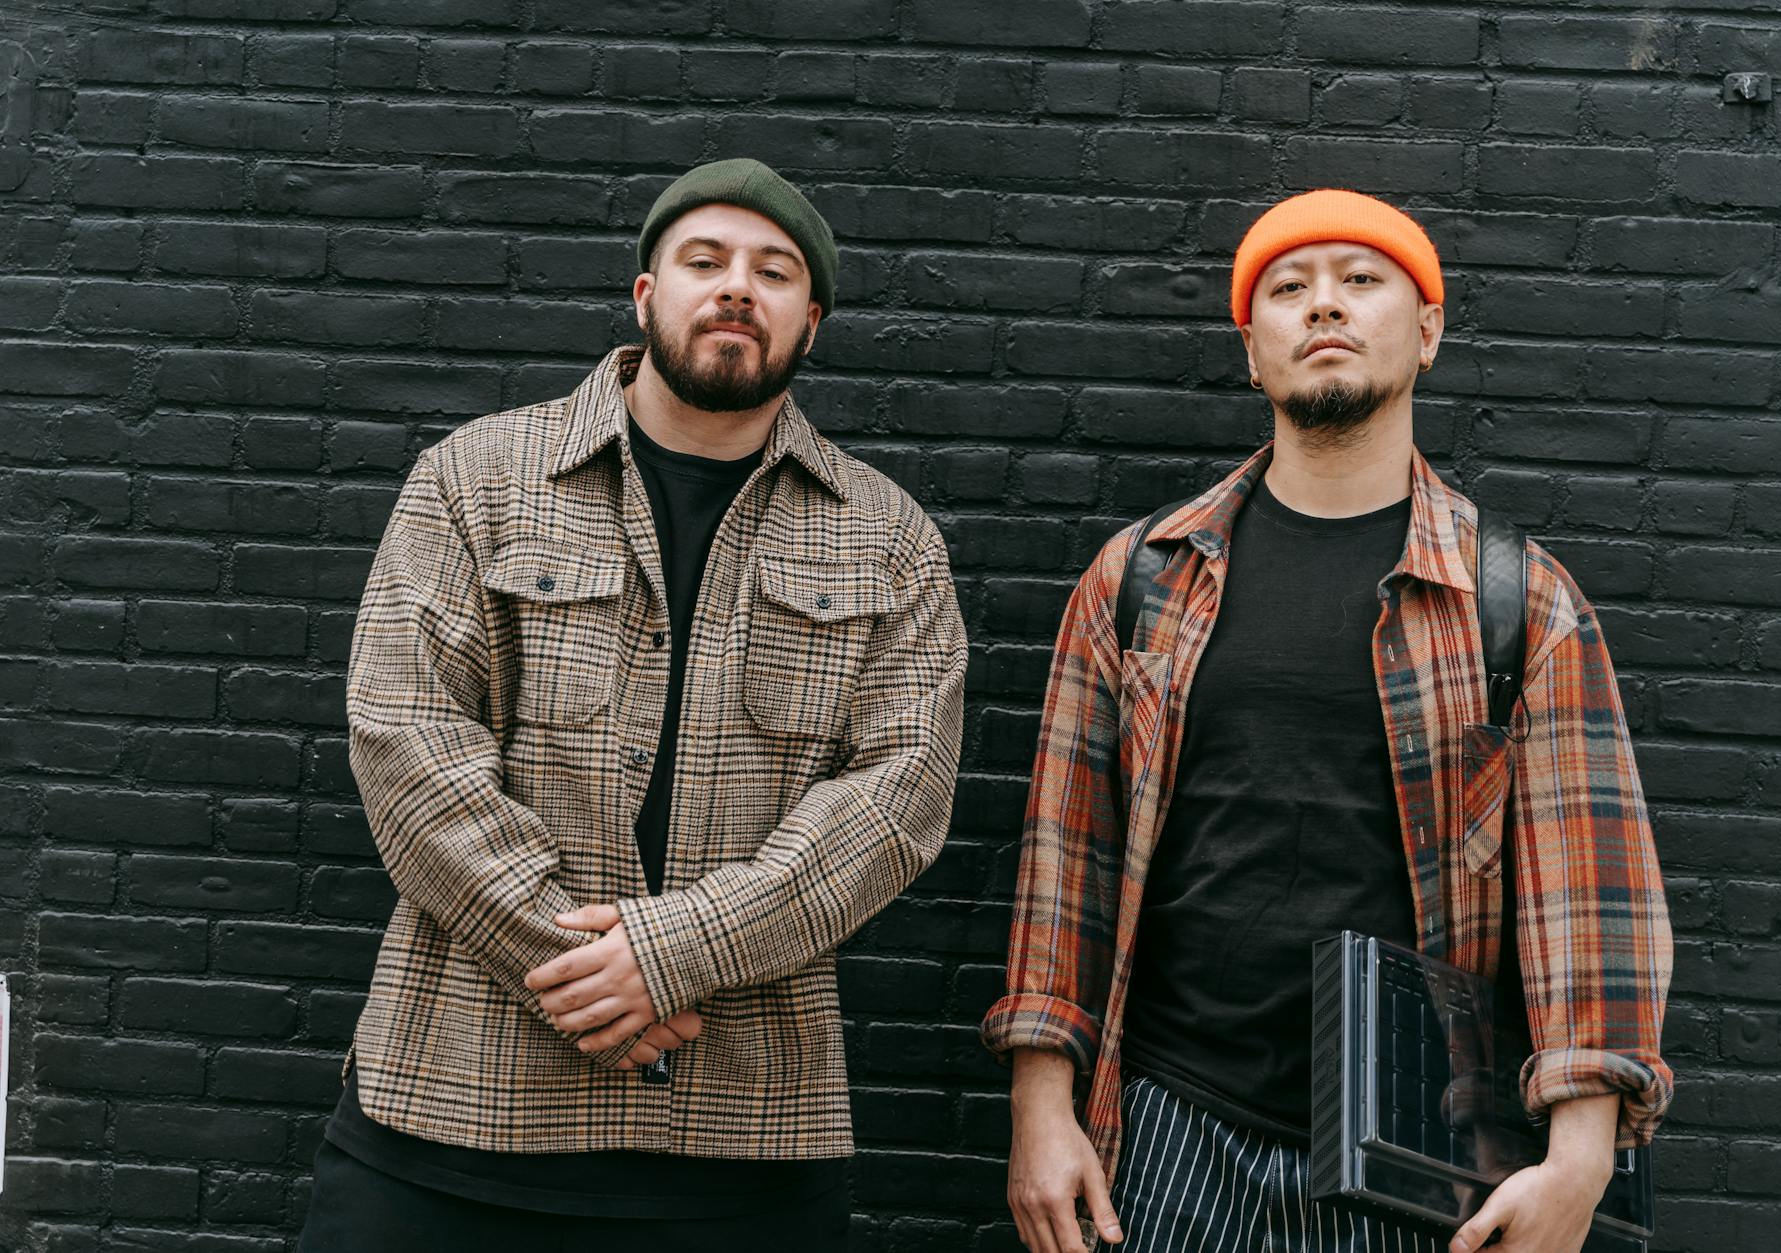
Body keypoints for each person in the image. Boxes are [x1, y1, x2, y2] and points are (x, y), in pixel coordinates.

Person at [982, 189, 1672, 1253]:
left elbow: (1590, 887)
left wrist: (1580, 1156)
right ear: (1251, 352)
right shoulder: (1141, 581)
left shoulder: (1516, 601)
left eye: (1360, 280)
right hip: (1166, 1128)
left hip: (1416, 1145)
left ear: (1427, 330)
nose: (1323, 305)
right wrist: (1041, 1104)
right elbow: (1065, 862)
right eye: (1287, 288)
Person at [300, 158, 967, 1252]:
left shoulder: (887, 537)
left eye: (774, 272)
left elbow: (899, 797)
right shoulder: (476, 477)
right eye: (705, 261)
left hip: (743, 1141)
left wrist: (675, 950)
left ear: (811, 322)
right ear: (647, 293)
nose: (737, 287)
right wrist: (580, 969)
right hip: (452, 1116)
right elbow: (404, 738)